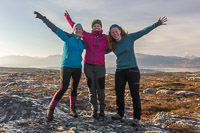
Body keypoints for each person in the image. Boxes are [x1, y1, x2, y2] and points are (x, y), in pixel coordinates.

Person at [107, 16, 167, 125]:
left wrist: (157, 23)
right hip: (120, 71)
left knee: (134, 94)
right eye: (112, 32)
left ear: (120, 31)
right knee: (119, 93)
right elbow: (98, 49)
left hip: (132, 70)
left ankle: (136, 117)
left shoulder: (129, 38)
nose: (115, 33)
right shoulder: (112, 45)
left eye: (116, 31)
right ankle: (120, 114)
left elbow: (144, 31)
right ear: (110, 34)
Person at [34, 11, 85, 121]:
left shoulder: (83, 42)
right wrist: (44, 19)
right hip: (66, 66)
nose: (78, 30)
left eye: (80, 29)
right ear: (74, 30)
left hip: (77, 68)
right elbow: (54, 29)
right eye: (76, 28)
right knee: (63, 88)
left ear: (82, 32)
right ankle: (51, 109)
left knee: (74, 88)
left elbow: (97, 48)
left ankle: (72, 109)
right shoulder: (68, 37)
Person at [64, 11, 109, 119]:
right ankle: (94, 110)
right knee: (91, 89)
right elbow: (76, 27)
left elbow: (115, 39)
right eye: (94, 26)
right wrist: (68, 17)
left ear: (101, 27)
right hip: (88, 66)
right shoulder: (87, 35)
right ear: (92, 28)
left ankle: (102, 110)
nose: (96, 27)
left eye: (98, 26)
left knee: (101, 89)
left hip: (100, 67)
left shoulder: (105, 38)